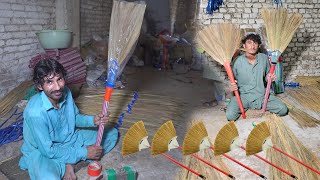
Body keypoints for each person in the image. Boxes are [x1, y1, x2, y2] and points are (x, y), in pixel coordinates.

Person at [19, 58, 118, 180]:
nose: (57, 87)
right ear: (40, 86)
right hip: (44, 152)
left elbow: (74, 118)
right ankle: (69, 160)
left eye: (59, 79)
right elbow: (48, 151)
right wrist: (84, 153)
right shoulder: (35, 113)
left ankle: (69, 161)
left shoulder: (65, 91)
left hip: (71, 139)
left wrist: (93, 120)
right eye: (49, 82)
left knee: (111, 134)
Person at [226, 33, 288, 121]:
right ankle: (247, 107)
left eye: (255, 43)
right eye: (249, 42)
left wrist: (270, 78)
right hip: (244, 97)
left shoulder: (264, 58)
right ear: (244, 45)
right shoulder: (237, 61)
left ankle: (258, 108)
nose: (252, 45)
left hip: (261, 96)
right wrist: (232, 85)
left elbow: (267, 77)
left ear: (258, 45)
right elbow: (233, 80)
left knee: (283, 109)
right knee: (230, 115)